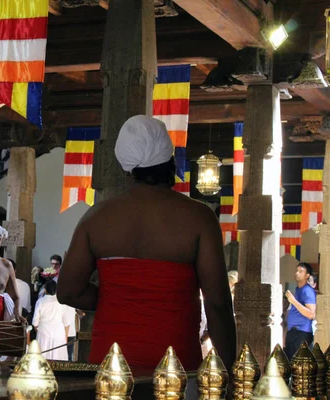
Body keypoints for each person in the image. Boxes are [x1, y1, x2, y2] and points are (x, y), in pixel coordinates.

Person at [57, 115, 236, 370]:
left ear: (125, 166)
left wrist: (115, 298)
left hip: (111, 369)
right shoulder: (200, 219)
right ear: (170, 159)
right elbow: (217, 303)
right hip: (176, 370)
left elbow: (68, 291)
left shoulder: (96, 218)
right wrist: (228, 373)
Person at [32, 280, 72, 361]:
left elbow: (35, 322)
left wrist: (38, 330)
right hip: (59, 335)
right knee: (59, 361)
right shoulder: (61, 302)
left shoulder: (40, 302)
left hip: (43, 334)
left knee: (42, 361)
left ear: (45, 290)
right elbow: (67, 323)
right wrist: (65, 338)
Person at [284, 262, 317, 360]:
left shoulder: (307, 290)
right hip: (293, 332)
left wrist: (293, 301)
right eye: (297, 271)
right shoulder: (299, 289)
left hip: (302, 333)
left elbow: (311, 314)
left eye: (301, 271)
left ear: (307, 275)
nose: (297, 273)